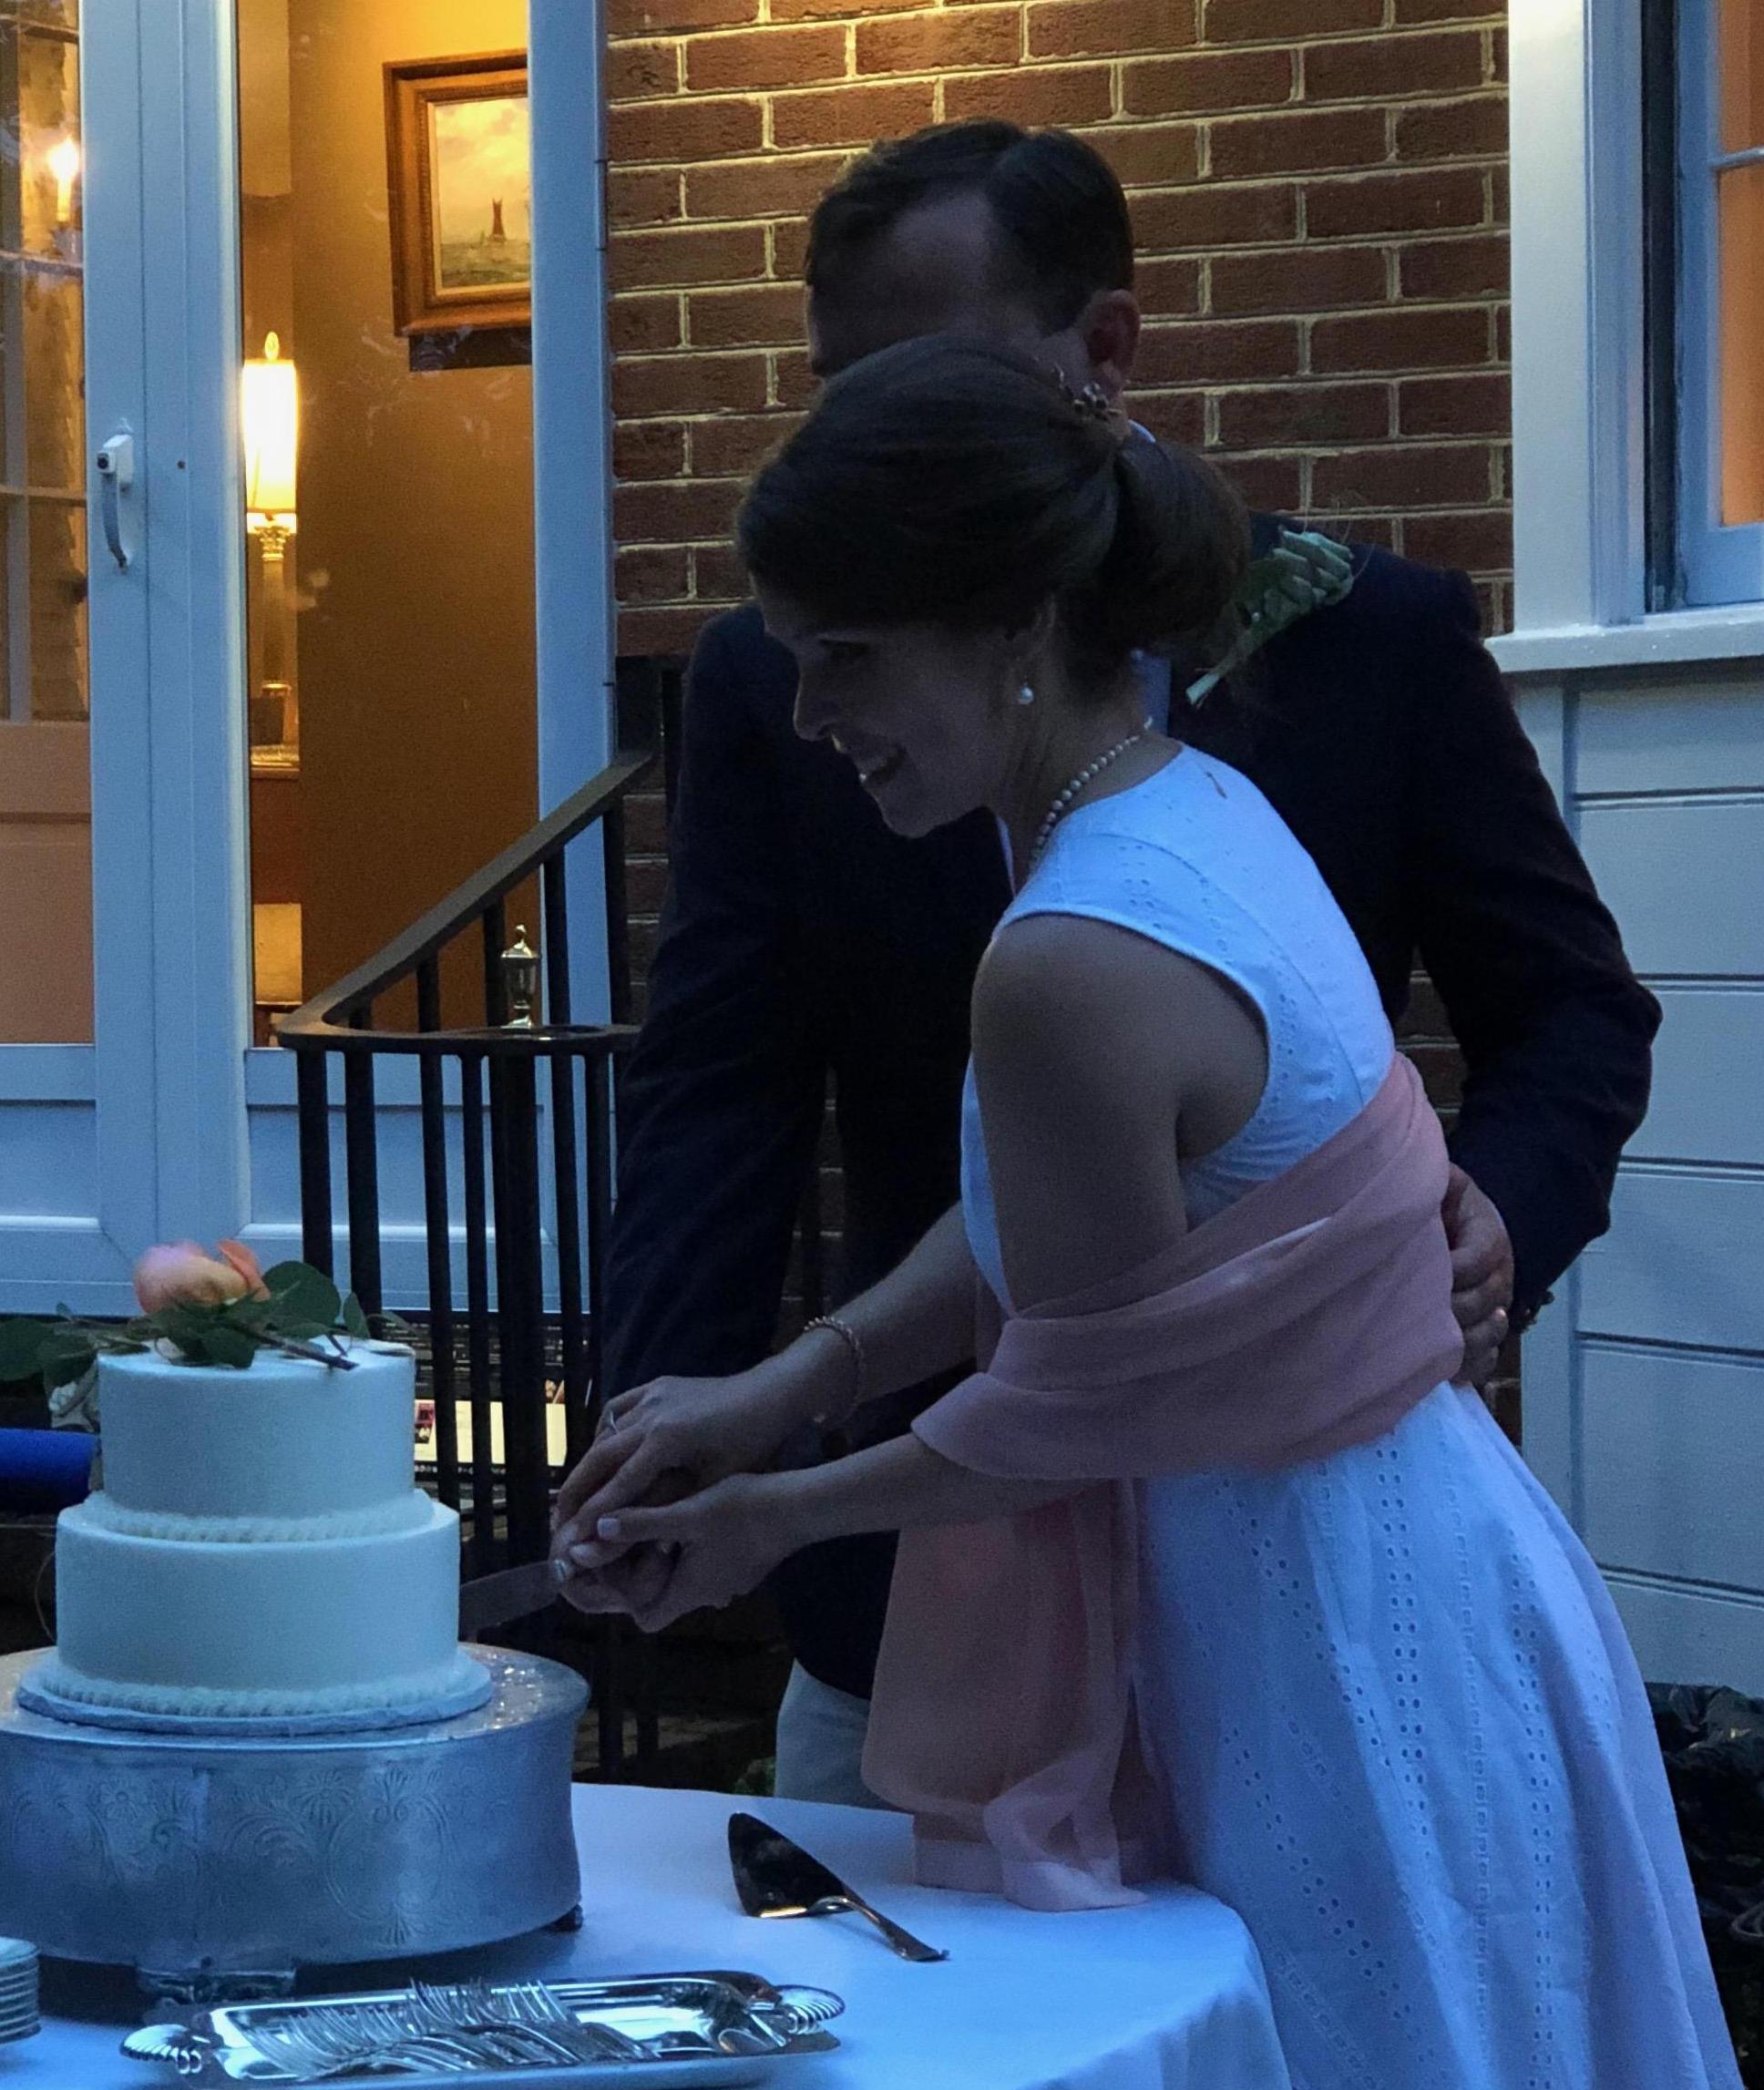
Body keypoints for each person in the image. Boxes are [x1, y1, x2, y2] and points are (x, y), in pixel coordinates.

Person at [554, 335, 1746, 2090]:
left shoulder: (1069, 943)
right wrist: (778, 1383)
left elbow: (1082, 1400)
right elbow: (1054, 1256)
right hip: (1387, 1566)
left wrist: (767, 1509)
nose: (806, 718)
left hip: (1311, 1638)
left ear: (1014, 628)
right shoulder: (1171, 806)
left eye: (843, 659)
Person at [586, 124, 1660, 1808]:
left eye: (922, 375)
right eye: (831, 388)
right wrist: (669, 1438)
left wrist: (1486, 1220)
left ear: (1105, 352)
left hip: (1270, 1586)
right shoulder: (787, 681)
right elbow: (720, 1088)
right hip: (914, 1590)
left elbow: (1573, 1015)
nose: (868, 437)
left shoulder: (1358, 647)